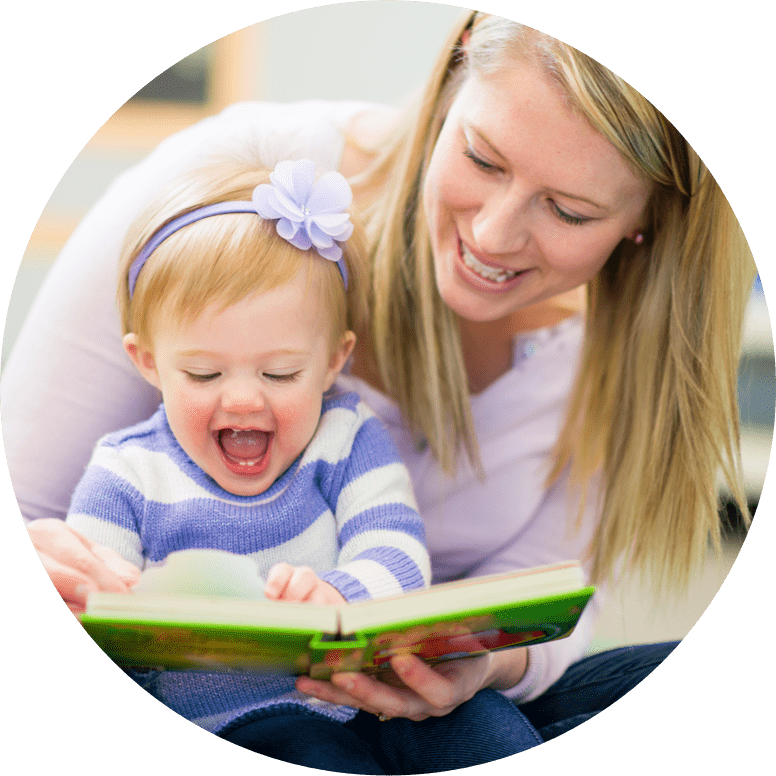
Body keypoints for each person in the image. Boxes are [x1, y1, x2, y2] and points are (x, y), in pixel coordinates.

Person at [2, 7, 754, 757]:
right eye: (483, 159)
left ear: (645, 223)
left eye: (568, 210)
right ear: (453, 75)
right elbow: (30, 506)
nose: (491, 236)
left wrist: (482, 660)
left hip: (429, 703)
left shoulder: (608, 348)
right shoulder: (222, 203)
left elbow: (555, 602)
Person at [62, 157, 543, 773]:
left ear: (333, 361)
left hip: (374, 699)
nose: (243, 398)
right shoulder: (127, 474)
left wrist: (334, 599)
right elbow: (96, 608)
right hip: (240, 723)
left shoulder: (345, 437)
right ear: (149, 361)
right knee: (309, 750)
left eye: (281, 373)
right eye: (203, 373)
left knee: (488, 724)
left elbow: (397, 555)